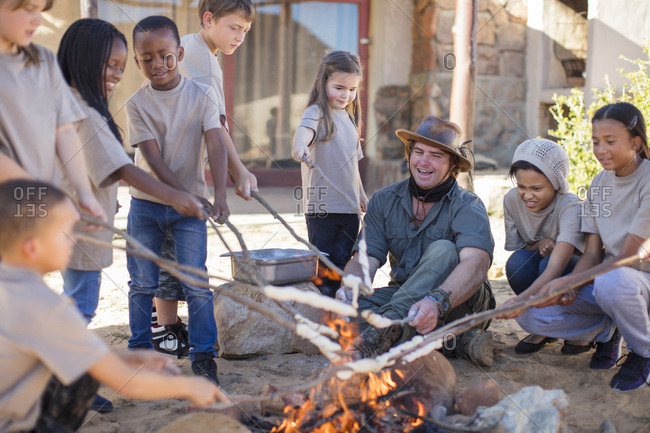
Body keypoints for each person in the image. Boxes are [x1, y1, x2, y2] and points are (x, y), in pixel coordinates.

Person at [56, 18, 208, 411]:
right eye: (109, 65)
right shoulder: (85, 112)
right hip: (82, 232)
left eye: (121, 68)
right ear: (81, 60)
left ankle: (72, 381)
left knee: (77, 304)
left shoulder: (77, 105)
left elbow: (97, 171)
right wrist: (176, 196)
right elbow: (126, 168)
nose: (116, 75)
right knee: (81, 306)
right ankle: (67, 384)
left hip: (85, 227)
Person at [0, 179, 227, 433]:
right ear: (32, 247)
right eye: (65, 233)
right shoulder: (47, 308)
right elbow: (130, 385)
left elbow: (64, 354)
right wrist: (191, 387)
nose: (74, 239)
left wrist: (129, 356)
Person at [337, 115, 496, 367]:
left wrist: (436, 302)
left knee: (444, 250)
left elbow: (476, 265)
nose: (424, 161)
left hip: (458, 302)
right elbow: (366, 257)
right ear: (408, 155)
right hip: (405, 294)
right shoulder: (384, 200)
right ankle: (457, 340)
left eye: (436, 155)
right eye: (418, 152)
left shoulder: (468, 205)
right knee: (342, 318)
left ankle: (384, 333)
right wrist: (351, 284)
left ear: (452, 165)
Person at [515, 102, 650, 392]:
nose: (600, 149)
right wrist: (571, 289)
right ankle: (608, 331)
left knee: (611, 283)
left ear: (635, 142)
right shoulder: (599, 185)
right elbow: (592, 252)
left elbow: (628, 257)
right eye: (595, 142)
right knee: (530, 313)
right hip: (610, 283)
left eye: (610, 142)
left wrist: (568, 281)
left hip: (635, 283)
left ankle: (643, 351)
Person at [126, 15, 228, 383]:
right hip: (146, 205)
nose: (158, 64)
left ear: (180, 53)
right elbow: (152, 158)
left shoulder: (202, 94)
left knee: (196, 282)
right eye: (148, 57)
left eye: (166, 55)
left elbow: (216, 143)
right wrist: (182, 196)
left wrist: (219, 195)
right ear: (138, 61)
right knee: (142, 282)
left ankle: (203, 356)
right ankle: (139, 352)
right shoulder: (136, 104)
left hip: (192, 210)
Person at [150, 0, 258, 348]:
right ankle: (164, 330)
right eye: (234, 27)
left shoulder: (193, 49)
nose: (240, 37)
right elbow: (216, 127)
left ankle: (165, 321)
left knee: (173, 250)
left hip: (169, 169)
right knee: (174, 253)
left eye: (245, 31)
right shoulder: (200, 60)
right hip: (173, 173)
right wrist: (238, 172)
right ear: (208, 19)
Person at [0, 0, 105, 222]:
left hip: (38, 208)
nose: (37, 20)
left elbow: (64, 130)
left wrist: (84, 193)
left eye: (41, 10)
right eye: (29, 8)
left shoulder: (44, 60)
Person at [291, 50, 368, 297]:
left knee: (344, 258)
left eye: (353, 89)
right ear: (323, 82)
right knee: (323, 263)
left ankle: (338, 311)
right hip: (322, 205)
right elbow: (304, 133)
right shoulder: (316, 112)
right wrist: (300, 147)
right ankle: (321, 308)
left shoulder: (350, 119)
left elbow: (353, 165)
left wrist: (362, 194)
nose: (346, 95)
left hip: (349, 208)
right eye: (339, 87)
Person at [501, 139, 586, 354]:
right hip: (541, 267)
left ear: (556, 183)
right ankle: (543, 327)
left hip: (570, 271)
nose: (527, 195)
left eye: (537, 188)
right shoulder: (512, 200)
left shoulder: (570, 205)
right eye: (521, 186)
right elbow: (520, 249)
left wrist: (520, 302)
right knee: (517, 264)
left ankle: (578, 331)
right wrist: (539, 243)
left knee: (547, 264)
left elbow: (558, 265)